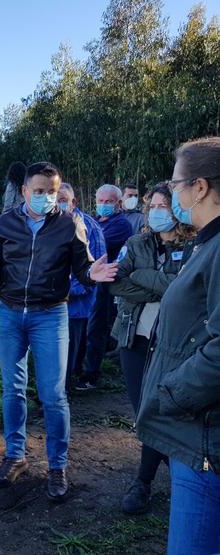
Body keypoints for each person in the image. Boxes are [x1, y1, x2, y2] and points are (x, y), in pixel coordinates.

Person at [0, 162, 118, 502]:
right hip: (9, 312)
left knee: (53, 395)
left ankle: (57, 466)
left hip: (50, 315)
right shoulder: (5, 223)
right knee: (13, 389)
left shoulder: (69, 224)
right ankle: (15, 456)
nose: (45, 197)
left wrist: (93, 274)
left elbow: (82, 269)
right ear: (25, 191)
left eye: (51, 192)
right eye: (39, 191)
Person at [137, 137, 220, 554]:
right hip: (198, 428)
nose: (170, 195)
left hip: (203, 435)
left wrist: (173, 392)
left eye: (175, 184)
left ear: (200, 187)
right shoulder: (206, 242)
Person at [109, 183, 194, 515]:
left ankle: (143, 482)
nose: (158, 212)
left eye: (165, 206)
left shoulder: (195, 248)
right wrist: (158, 284)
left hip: (173, 345)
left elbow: (182, 290)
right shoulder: (137, 243)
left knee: (163, 411)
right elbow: (115, 281)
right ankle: (172, 476)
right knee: (145, 410)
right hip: (134, 340)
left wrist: (143, 277)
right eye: (154, 206)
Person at [76, 184, 133, 390]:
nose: (103, 205)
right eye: (100, 201)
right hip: (87, 280)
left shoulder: (121, 225)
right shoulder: (94, 221)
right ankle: (77, 368)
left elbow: (91, 247)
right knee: (81, 326)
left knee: (96, 327)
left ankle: (91, 374)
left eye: (109, 202)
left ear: (118, 203)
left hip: (105, 283)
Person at [56, 184, 106, 390]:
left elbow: (92, 267)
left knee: (67, 352)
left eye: (63, 198)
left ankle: (61, 392)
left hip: (75, 304)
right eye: (54, 197)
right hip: (55, 302)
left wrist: (66, 291)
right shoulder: (52, 224)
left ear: (73, 202)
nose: (58, 202)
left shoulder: (88, 226)